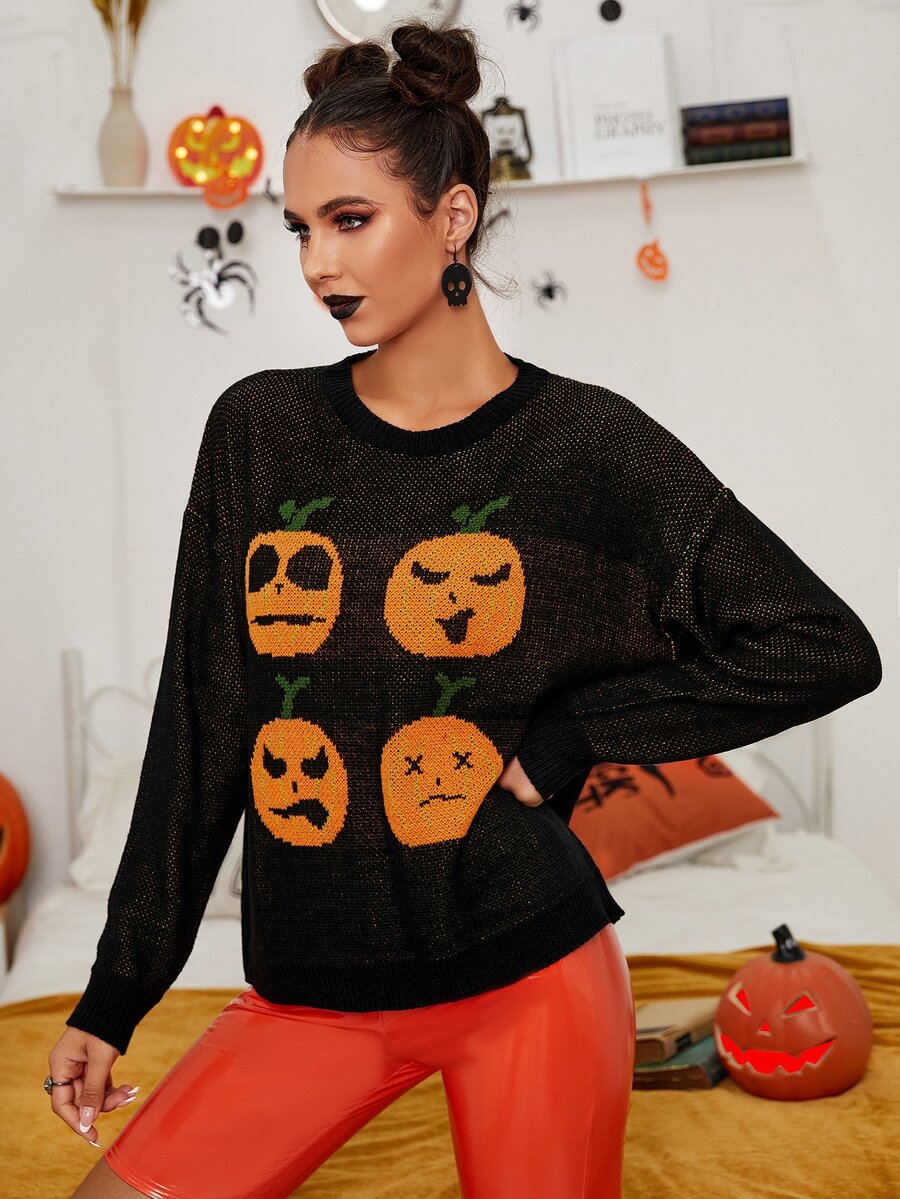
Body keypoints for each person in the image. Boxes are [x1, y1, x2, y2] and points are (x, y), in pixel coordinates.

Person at [48, 19, 882, 1199]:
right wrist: (116, 991)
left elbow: (821, 643)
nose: (317, 263)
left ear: (451, 217)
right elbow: (202, 722)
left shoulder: (587, 445)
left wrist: (573, 735)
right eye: (300, 227)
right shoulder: (259, 432)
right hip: (311, 992)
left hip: (531, 972)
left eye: (350, 219)